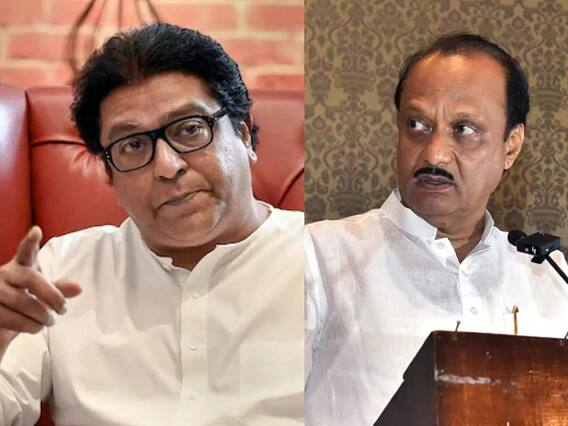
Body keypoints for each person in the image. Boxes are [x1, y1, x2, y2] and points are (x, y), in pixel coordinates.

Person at [0, 23, 303, 425]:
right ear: (109, 173)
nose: (167, 166)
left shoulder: (330, 261)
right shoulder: (59, 271)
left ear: (244, 134)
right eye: (132, 145)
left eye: (190, 129)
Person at [305, 33, 568, 426]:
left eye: (464, 129)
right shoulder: (317, 256)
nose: (434, 153)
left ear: (511, 146)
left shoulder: (548, 275)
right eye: (417, 125)